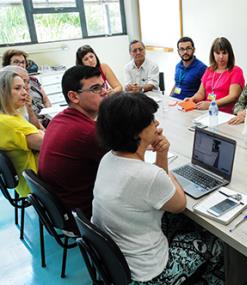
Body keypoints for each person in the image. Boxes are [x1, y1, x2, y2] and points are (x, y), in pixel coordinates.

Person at [93, 92, 224, 284]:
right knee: (217, 242)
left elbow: (158, 188)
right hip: (150, 274)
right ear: (136, 132)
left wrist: (160, 156)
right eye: (151, 120)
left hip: (117, 264)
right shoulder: (147, 175)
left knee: (179, 221)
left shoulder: (108, 158)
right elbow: (179, 204)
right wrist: (163, 157)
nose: (156, 125)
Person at [38, 66, 108, 218]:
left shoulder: (59, 119)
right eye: (95, 88)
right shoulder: (88, 132)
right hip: (84, 218)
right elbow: (125, 164)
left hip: (61, 211)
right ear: (74, 96)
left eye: (103, 86)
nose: (104, 92)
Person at [0, 70, 44, 197]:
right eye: (17, 88)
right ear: (3, 91)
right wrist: (41, 133)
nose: (25, 92)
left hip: (27, 182)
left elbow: (40, 134)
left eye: (24, 88)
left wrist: (40, 132)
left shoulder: (9, 116)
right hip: (37, 183)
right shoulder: (8, 123)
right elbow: (47, 143)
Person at [186, 37, 245, 113]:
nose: (221, 57)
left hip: (224, 114)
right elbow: (201, 93)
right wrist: (192, 99)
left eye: (224, 53)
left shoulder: (236, 71)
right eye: (217, 53)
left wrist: (211, 104)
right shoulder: (209, 70)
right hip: (206, 111)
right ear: (213, 54)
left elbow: (233, 96)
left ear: (229, 54)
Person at [2, 49, 52, 127]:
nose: (20, 65)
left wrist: (50, 114)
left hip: (45, 118)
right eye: (16, 62)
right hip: (32, 123)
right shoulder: (7, 87)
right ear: (8, 65)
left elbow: (46, 100)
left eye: (23, 62)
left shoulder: (33, 80)